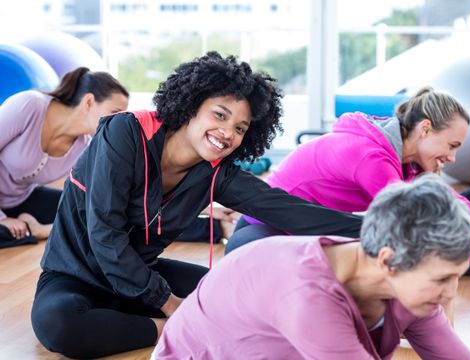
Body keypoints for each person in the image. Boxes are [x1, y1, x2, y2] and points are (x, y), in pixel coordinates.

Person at [31, 52, 362, 359]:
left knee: (240, 296)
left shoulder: (219, 173)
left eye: (240, 128)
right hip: (75, 275)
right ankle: (171, 329)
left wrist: (378, 229)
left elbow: (290, 210)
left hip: (142, 276)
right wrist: (169, 305)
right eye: (220, 115)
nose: (227, 133)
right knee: (59, 326)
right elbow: (104, 234)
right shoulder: (125, 132)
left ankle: (142, 319)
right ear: (191, 106)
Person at [152, 175, 470, 360]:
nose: (451, 293)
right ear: (388, 260)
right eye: (442, 278)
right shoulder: (306, 293)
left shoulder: (406, 287)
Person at [227, 86, 470, 276]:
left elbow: (447, 200)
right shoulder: (372, 157)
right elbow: (409, 225)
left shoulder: (402, 160)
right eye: (452, 145)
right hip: (262, 236)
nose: (453, 157)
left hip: (299, 235)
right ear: (425, 129)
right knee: (410, 249)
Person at [0, 67, 129, 248]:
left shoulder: (85, 144)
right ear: (89, 101)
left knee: (97, 216)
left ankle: (34, 230)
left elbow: (98, 193)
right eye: (115, 112)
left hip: (22, 199)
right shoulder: (30, 106)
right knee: (8, 229)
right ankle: (28, 230)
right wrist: (2, 219)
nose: (118, 122)